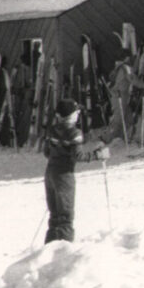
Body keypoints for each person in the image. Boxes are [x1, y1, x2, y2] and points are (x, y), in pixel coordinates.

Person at [43, 97, 104, 243]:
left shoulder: (52, 130)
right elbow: (78, 156)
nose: (78, 115)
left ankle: (48, 249)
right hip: (65, 175)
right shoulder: (74, 133)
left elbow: (47, 152)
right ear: (71, 115)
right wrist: (97, 155)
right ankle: (64, 252)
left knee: (55, 216)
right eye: (77, 112)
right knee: (65, 217)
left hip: (50, 172)